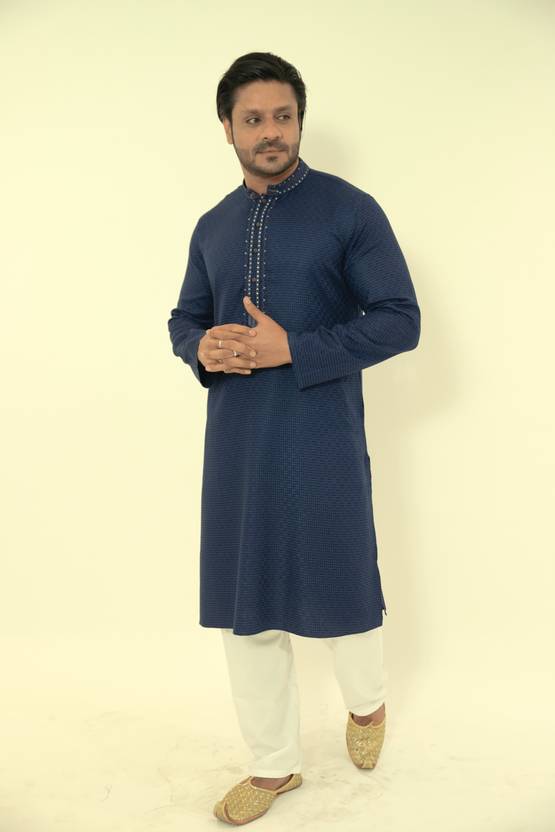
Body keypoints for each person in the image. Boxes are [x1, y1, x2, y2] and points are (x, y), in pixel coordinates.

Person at [167, 51, 421, 825]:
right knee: (244, 606)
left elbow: (399, 320)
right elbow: (184, 316)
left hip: (320, 435)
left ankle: (367, 704)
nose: (270, 132)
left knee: (342, 587)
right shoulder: (212, 225)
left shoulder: (348, 210)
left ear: (299, 120)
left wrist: (295, 348)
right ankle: (273, 766)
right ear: (227, 128)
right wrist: (201, 347)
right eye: (253, 119)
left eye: (282, 116)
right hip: (236, 444)